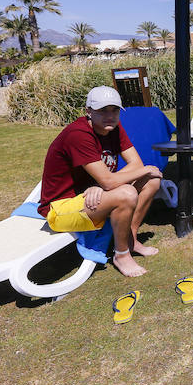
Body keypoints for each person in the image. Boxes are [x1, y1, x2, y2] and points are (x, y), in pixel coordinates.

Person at [38, 85, 162, 277]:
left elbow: (134, 165)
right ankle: (121, 255)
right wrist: (107, 183)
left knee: (151, 180)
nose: (110, 116)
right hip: (60, 208)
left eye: (114, 111)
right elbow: (113, 180)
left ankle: (131, 239)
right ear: (88, 112)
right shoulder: (78, 134)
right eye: (102, 111)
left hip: (89, 194)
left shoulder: (113, 128)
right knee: (127, 193)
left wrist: (101, 185)